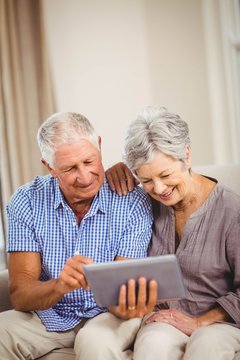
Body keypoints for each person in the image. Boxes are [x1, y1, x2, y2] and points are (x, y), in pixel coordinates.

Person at [0, 111, 157, 360]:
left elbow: (123, 291)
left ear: (100, 147)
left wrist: (130, 301)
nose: (84, 178)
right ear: (49, 166)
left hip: (110, 314)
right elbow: (20, 294)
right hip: (50, 313)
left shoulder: (132, 201)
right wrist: (59, 285)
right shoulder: (26, 200)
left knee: (94, 342)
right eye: (70, 168)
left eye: (89, 161)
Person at [105, 105, 240, 360]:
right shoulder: (142, 204)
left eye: (166, 175)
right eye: (146, 180)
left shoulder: (232, 210)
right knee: (151, 347)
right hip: (164, 318)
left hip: (219, 323)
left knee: (205, 347)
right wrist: (112, 172)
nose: (159, 188)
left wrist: (200, 322)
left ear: (186, 156)